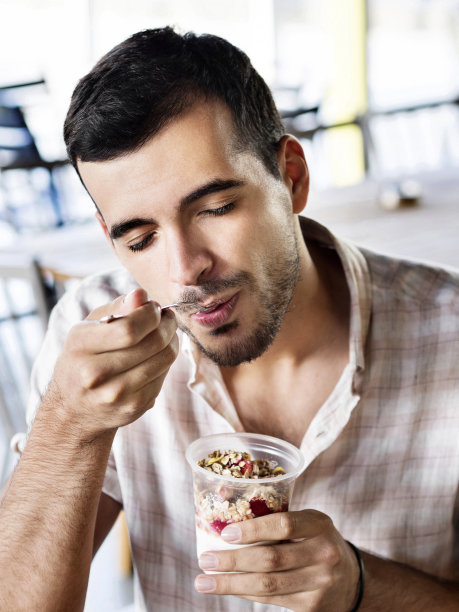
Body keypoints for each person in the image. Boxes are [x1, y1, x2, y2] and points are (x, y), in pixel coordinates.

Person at [0, 26, 458, 612]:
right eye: (140, 238)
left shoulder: (450, 337)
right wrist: (67, 426)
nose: (185, 270)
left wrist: (365, 588)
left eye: (215, 208)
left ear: (291, 177)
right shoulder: (91, 339)